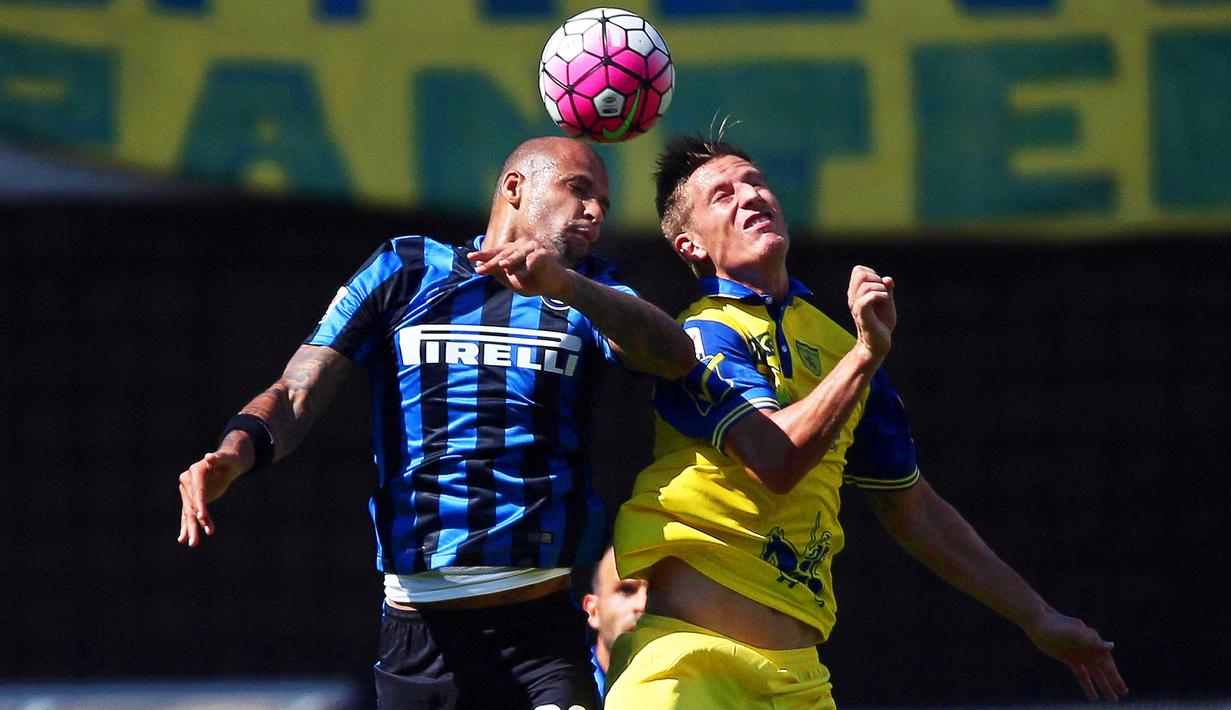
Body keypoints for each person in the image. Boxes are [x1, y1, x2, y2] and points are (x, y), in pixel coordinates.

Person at [604, 135, 1129, 709]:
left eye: (755, 182)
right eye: (722, 195)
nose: (750, 196)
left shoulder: (838, 345)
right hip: (688, 667)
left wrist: (1037, 616)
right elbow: (777, 460)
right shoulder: (699, 334)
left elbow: (912, 506)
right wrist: (865, 355)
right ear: (690, 244)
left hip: (799, 683)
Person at [175, 136, 696, 710]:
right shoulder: (406, 269)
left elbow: (673, 355)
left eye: (604, 203)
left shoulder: (592, 289)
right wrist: (236, 451)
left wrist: (569, 286)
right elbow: (296, 392)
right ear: (515, 187)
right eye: (579, 190)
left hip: (540, 636)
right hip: (419, 639)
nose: (594, 211)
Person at [582, 546, 648, 698]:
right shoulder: (563, 686)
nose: (643, 604)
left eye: (656, 591)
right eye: (626, 590)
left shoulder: (693, 690)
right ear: (593, 610)